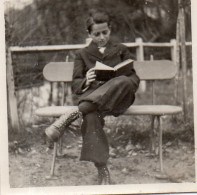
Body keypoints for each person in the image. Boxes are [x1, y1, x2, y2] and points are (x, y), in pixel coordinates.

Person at [45, 11, 140, 185]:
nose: (102, 37)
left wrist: (118, 82)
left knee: (125, 81)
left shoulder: (121, 50)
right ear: (89, 34)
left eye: (105, 32)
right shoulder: (82, 54)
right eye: (96, 34)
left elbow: (134, 79)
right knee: (90, 117)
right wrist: (86, 81)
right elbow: (75, 85)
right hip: (93, 99)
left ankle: (72, 115)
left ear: (110, 30)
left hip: (118, 99)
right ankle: (102, 169)